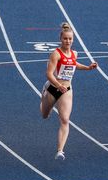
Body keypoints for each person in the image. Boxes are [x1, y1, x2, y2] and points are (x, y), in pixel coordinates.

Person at [40, 23, 98, 160]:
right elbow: (49, 74)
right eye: (65, 39)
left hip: (66, 90)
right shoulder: (56, 54)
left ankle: (60, 150)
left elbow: (74, 65)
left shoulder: (74, 53)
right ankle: (43, 98)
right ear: (61, 38)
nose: (68, 41)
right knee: (44, 115)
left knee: (65, 120)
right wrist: (58, 84)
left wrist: (88, 68)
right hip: (52, 88)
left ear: (73, 40)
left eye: (70, 39)